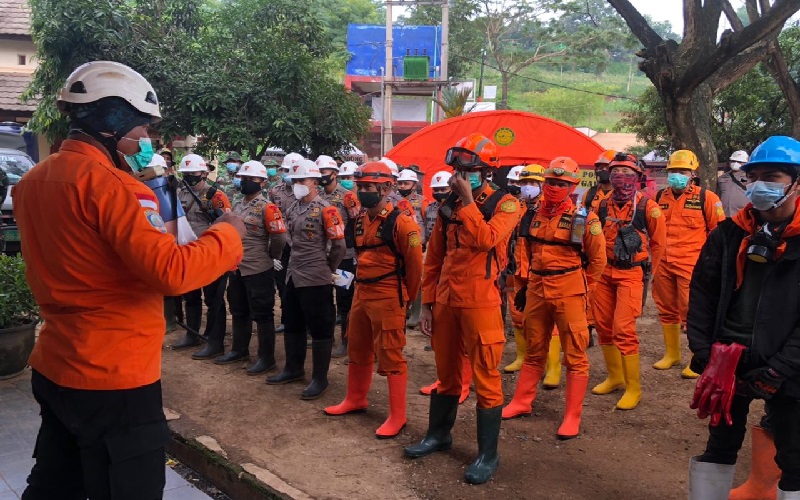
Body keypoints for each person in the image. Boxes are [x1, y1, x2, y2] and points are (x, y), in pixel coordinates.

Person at [13, 61, 245, 500]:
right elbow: (172, 272)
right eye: (140, 129)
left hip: (55, 363)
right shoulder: (117, 190)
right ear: (112, 121)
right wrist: (229, 233)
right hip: (113, 376)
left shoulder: (31, 183)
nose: (144, 140)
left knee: (54, 484)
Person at [404, 133, 522, 485]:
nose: (459, 175)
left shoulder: (507, 205)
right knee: (447, 373)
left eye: (468, 170)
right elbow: (435, 256)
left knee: (486, 375)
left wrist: (469, 202)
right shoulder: (447, 206)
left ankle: (488, 454)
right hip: (446, 302)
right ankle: (439, 434)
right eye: (456, 169)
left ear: (486, 172)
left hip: (481, 302)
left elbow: (487, 240)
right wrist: (428, 305)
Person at [686, 136, 800, 499]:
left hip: (786, 365)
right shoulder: (729, 233)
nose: (761, 184)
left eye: (774, 176)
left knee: (795, 456)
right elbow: (702, 293)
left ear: (797, 182)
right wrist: (705, 352)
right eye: (756, 176)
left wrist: (780, 369)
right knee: (719, 444)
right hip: (727, 356)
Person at [502, 158, 606, 439]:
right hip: (537, 288)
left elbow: (597, 260)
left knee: (575, 354)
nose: (555, 187)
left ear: (572, 186)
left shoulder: (584, 220)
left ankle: (572, 416)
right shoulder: (532, 215)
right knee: (534, 348)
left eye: (562, 184)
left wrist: (585, 289)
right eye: (551, 182)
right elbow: (528, 252)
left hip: (570, 288)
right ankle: (522, 402)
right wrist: (524, 286)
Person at [324, 162, 424, 438]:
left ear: (387, 187)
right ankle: (355, 398)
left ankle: (398, 416)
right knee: (357, 347)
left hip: (389, 294)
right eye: (361, 187)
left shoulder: (402, 223)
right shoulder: (358, 221)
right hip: (362, 293)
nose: (363, 191)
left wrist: (407, 298)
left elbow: (415, 266)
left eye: (368, 187)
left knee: (391, 353)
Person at [591, 152, 666, 410]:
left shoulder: (648, 207)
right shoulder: (601, 205)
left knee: (623, 328)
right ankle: (615, 376)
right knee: (603, 325)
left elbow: (658, 244)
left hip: (631, 273)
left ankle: (634, 387)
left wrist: (652, 274)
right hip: (604, 273)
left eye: (627, 174)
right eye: (616, 173)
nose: (620, 178)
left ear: (637, 178)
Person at [266, 159, 346, 400]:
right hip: (293, 273)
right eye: (295, 180)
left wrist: (326, 267)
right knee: (292, 321)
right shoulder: (293, 208)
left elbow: (339, 247)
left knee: (320, 326)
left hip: (316, 276)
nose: (297, 184)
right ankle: (293, 368)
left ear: (314, 181)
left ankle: (319, 379)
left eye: (302, 180)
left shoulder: (327, 210)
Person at [650, 150, 724, 379]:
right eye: (673, 171)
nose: (677, 175)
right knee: (666, 308)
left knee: (692, 312)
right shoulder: (658, 197)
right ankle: (672, 354)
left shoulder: (707, 198)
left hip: (691, 266)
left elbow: (718, 233)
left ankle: (697, 358)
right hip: (662, 263)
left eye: (682, 171)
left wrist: (712, 264)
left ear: (693, 174)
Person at [215, 161, 287, 374]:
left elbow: (279, 238)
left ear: (262, 183)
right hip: (237, 267)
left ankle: (267, 358)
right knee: (238, 309)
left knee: (263, 313)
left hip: (258, 267)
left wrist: (271, 256)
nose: (246, 182)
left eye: (251, 179)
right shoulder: (238, 204)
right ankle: (239, 349)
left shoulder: (268, 208)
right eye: (244, 178)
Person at [171, 153, 233, 357]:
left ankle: (215, 341)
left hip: (209, 253)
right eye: (186, 173)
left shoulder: (216, 195)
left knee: (213, 299)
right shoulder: (179, 193)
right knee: (191, 296)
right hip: (187, 253)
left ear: (204, 173)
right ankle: (192, 334)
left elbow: (228, 224)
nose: (190, 176)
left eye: (194, 172)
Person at [316, 154, 361, 358]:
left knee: (345, 298)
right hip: (322, 253)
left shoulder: (347, 196)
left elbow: (356, 223)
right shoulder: (317, 196)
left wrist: (354, 251)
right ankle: (326, 338)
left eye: (324, 172)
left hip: (344, 253)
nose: (321, 176)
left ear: (334, 174)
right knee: (325, 297)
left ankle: (346, 341)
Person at [503, 164, 544, 374]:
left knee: (541, 317)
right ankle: (522, 356)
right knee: (517, 315)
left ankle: (545, 362)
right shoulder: (515, 207)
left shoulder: (548, 209)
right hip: (515, 268)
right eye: (524, 183)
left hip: (539, 272)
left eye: (532, 183)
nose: (527, 187)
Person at [269, 152, 304, 333]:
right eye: (284, 170)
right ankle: (286, 319)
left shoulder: (307, 190)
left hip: (300, 243)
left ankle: (302, 322)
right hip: (282, 243)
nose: (287, 174)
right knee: (282, 283)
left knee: (301, 282)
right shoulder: (275, 191)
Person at [395, 168, 428, 328]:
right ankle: (405, 310)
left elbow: (427, 223)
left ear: (414, 185)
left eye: (406, 183)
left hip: (417, 246)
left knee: (417, 279)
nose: (402, 186)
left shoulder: (422, 201)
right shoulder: (392, 200)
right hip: (398, 246)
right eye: (400, 183)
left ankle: (416, 313)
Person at [717, 150, 750, 217]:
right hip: (724, 216)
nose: (735, 163)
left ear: (746, 163)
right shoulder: (722, 177)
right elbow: (717, 195)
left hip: (742, 217)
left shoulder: (749, 177)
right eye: (733, 161)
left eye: (739, 162)